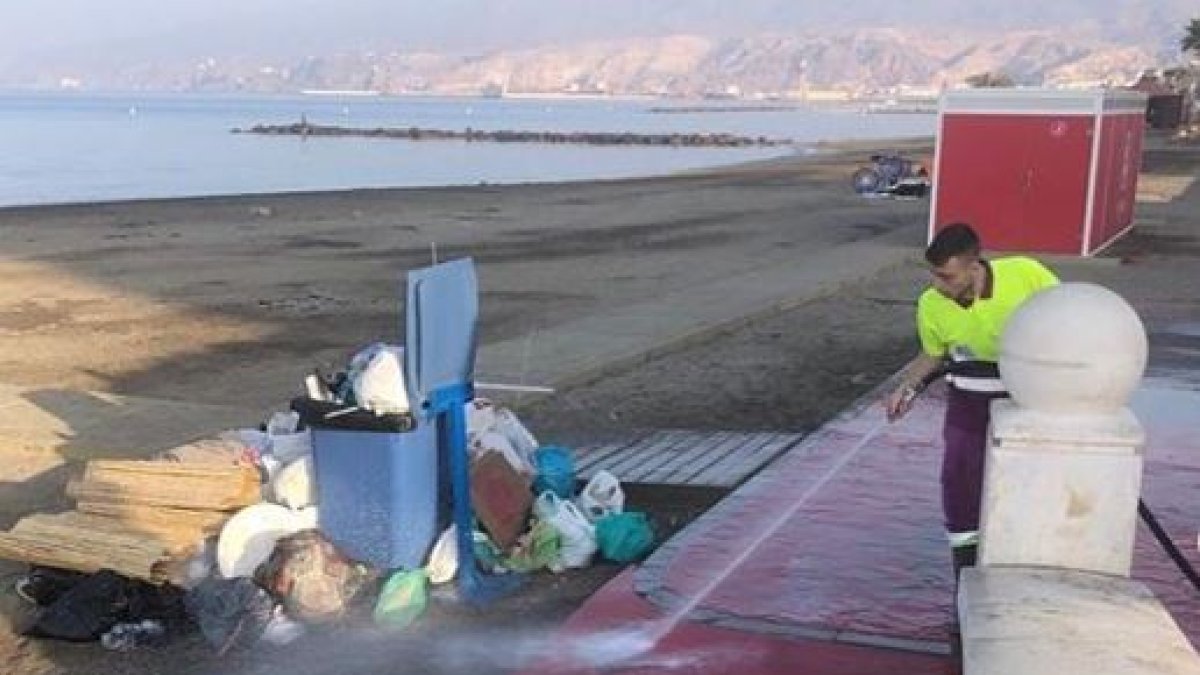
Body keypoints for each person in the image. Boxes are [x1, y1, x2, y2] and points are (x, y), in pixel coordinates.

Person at [884, 222, 1058, 578]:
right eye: (934, 275)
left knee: (1027, 475)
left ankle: (1029, 551)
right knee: (959, 478)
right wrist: (907, 387)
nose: (937, 285)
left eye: (947, 277)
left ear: (974, 266)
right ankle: (965, 560)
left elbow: (1068, 314)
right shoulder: (931, 304)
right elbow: (933, 354)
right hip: (968, 398)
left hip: (1024, 396)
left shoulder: (1026, 274)